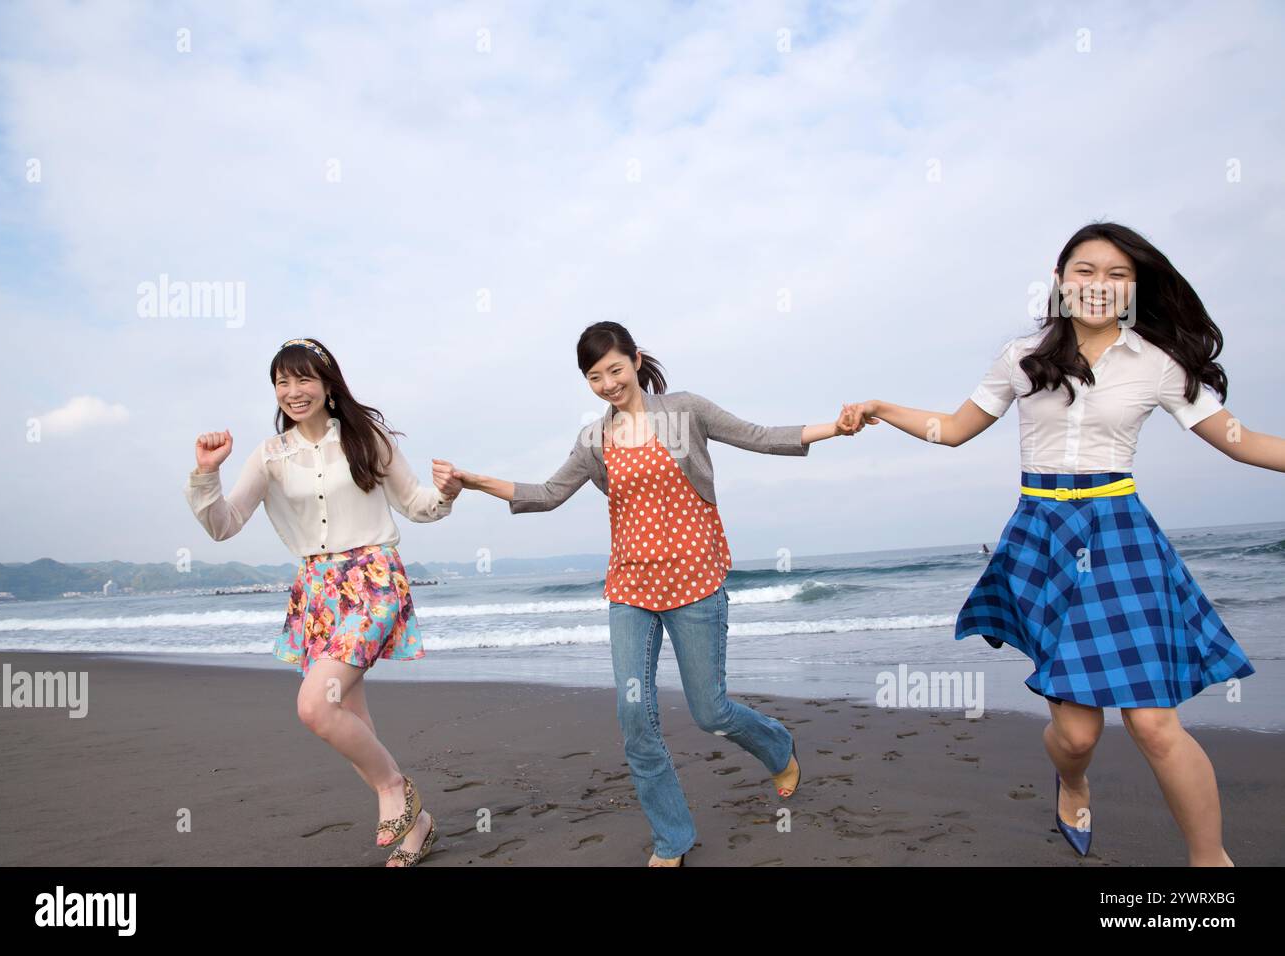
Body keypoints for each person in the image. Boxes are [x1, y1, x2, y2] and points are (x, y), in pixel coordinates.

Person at [841, 222, 1284, 866]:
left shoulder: (1158, 364)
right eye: (1085, 270)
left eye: (1117, 274)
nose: (1099, 285)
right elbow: (955, 428)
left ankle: (1210, 865)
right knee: (1076, 735)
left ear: (1135, 289)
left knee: (1154, 723)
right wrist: (882, 407)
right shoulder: (1022, 356)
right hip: (1042, 537)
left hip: (1120, 537)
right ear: (1059, 280)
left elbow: (1241, 441)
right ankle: (1072, 780)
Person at [439, 321, 855, 865]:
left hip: (696, 581)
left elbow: (759, 436)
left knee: (710, 711)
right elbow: (546, 494)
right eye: (594, 377)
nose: (608, 384)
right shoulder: (595, 440)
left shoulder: (683, 412)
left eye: (615, 370)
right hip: (631, 588)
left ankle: (776, 745)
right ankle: (672, 839)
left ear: (635, 360)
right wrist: (475, 482)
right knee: (635, 720)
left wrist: (837, 429)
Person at [184, 337, 462, 866]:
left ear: (328, 383)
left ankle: (394, 790)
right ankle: (418, 825)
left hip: (373, 580)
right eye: (282, 382)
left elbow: (419, 505)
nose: (293, 392)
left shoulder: (366, 438)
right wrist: (207, 472)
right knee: (348, 717)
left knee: (315, 706)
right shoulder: (271, 455)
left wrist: (447, 491)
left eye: (304, 379)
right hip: (317, 592)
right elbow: (224, 525)